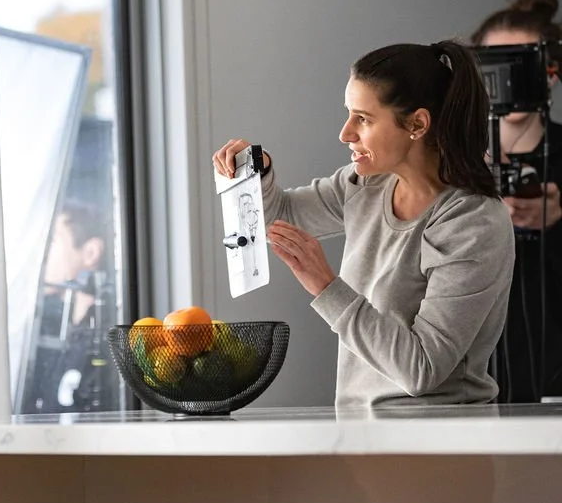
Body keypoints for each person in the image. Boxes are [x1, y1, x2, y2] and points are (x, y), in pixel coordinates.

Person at [213, 40, 514, 406]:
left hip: (442, 445)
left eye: (364, 119)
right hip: (363, 438)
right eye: (349, 114)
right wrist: (257, 176)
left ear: (417, 124)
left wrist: (326, 286)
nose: (345, 134)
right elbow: (281, 218)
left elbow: (421, 369)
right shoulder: (365, 185)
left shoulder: (473, 222)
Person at [471, 0, 562, 403]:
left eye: (523, 64)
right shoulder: (443, 164)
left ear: (551, 71)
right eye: (496, 66)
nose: (508, 80)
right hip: (468, 370)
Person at [21, 199, 117, 413]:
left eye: (52, 241)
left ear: (91, 252)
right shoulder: (51, 329)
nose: (42, 253)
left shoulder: (105, 340)